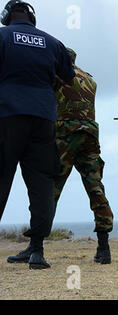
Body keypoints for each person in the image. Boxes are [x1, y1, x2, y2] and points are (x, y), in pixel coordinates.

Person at [1, 0, 75, 269]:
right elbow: (68, 77)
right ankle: (37, 251)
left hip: (7, 116)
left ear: (7, 16)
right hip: (44, 119)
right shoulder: (53, 43)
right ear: (31, 18)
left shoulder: (3, 36)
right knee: (42, 183)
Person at [52, 48, 114, 264]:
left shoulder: (57, 74)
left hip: (65, 133)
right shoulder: (89, 79)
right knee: (96, 188)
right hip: (90, 134)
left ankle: (35, 247)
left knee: (50, 188)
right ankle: (104, 248)